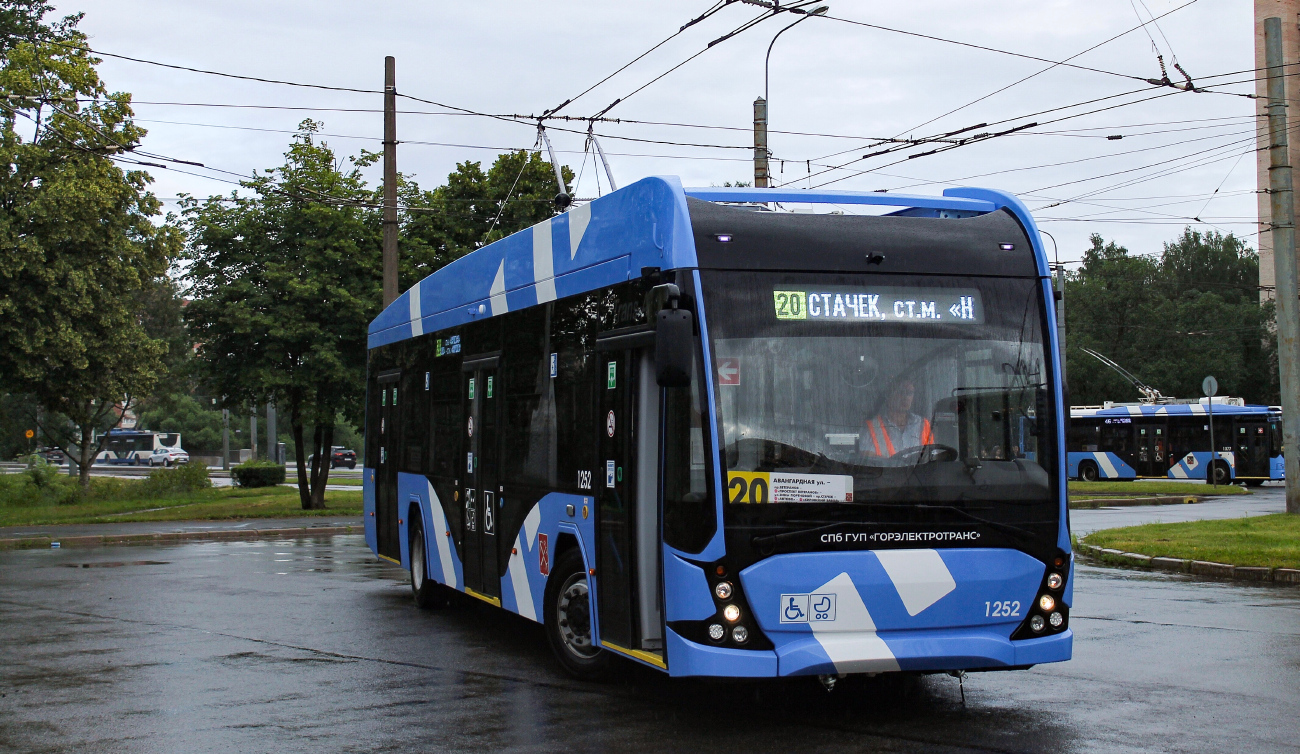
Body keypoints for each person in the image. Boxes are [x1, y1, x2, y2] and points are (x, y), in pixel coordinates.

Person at [865, 379, 934, 458]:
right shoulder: (871, 427)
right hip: (885, 470)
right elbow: (868, 461)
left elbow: (932, 457)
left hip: (919, 470)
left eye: (909, 393)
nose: (905, 397)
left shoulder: (923, 424)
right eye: (901, 392)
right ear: (889, 395)